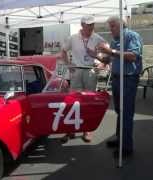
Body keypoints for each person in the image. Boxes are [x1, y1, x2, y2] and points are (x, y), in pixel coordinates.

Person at [97, 16, 143, 158]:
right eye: (109, 27)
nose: (110, 30)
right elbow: (109, 59)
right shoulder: (115, 40)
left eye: (112, 26)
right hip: (117, 79)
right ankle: (120, 140)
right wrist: (95, 55)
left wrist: (110, 51)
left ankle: (127, 147)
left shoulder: (132, 36)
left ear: (121, 26)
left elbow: (133, 56)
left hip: (128, 79)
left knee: (126, 113)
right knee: (119, 111)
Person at [58, 15, 106, 143]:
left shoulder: (98, 38)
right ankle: (70, 129)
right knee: (73, 100)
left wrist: (101, 65)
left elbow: (107, 55)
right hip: (77, 70)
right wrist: (69, 64)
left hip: (90, 71)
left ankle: (87, 130)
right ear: (82, 25)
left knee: (89, 101)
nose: (91, 27)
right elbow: (63, 51)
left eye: (92, 24)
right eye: (88, 24)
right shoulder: (73, 38)